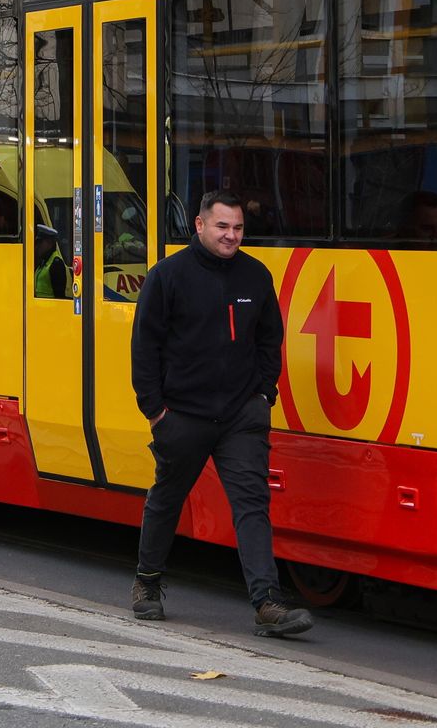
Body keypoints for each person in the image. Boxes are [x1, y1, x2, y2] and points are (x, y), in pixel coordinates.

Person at [128, 189, 311, 637]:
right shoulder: (167, 276)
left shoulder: (256, 276)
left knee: (252, 504)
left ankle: (267, 602)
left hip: (240, 417)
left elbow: (270, 340)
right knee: (167, 498)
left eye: (238, 228)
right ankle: (147, 583)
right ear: (200, 225)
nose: (231, 235)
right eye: (222, 226)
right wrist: (156, 412)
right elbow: (145, 347)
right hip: (182, 416)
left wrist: (263, 395)